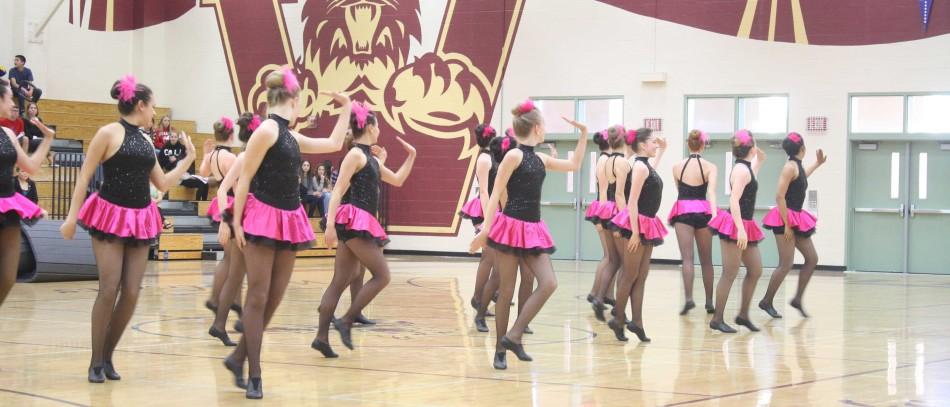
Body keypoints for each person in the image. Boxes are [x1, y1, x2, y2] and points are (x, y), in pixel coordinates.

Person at [223, 65, 351, 398]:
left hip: (287, 219)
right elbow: (245, 177)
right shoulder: (266, 130)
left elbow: (334, 142)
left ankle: (237, 358)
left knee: (275, 297)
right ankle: (255, 374)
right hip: (262, 218)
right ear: (293, 100)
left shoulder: (291, 136)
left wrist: (347, 107)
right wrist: (235, 221)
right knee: (258, 295)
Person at [60, 75, 196, 382]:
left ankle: (108, 355)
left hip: (139, 218)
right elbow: (84, 177)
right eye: (153, 107)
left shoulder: (147, 141)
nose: (154, 114)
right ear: (140, 104)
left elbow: (161, 182)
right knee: (109, 289)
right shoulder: (107, 133)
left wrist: (188, 160)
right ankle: (95, 361)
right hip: (109, 215)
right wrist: (71, 217)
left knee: (132, 292)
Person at [470, 100, 588, 370]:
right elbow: (495, 194)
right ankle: (501, 348)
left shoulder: (540, 158)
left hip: (533, 229)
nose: (545, 130)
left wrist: (583, 134)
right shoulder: (513, 156)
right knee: (507, 290)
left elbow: (575, 164)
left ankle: (514, 335)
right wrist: (484, 231)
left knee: (548, 283)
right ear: (536, 128)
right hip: (510, 227)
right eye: (544, 126)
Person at [312, 101, 417, 358]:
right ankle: (346, 320)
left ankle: (321, 337)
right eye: (378, 126)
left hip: (359, 221)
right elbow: (337, 191)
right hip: (354, 221)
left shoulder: (368, 157)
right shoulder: (356, 155)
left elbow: (398, 179)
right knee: (382, 275)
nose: (380, 130)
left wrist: (412, 156)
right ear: (369, 127)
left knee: (339, 281)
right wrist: (330, 226)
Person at [606, 128, 667, 342]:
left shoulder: (645, 165)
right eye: (652, 142)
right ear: (642, 145)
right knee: (630, 275)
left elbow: (652, 176)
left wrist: (663, 150)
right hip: (637, 224)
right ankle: (618, 318)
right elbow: (631, 202)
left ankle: (637, 322)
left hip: (647, 224)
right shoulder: (639, 167)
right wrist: (633, 232)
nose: (655, 144)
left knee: (641, 276)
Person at [759, 132, 826, 318]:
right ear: (802, 149)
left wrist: (817, 164)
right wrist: (787, 225)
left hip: (796, 217)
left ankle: (797, 298)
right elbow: (779, 196)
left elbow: (803, 177)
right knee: (786, 264)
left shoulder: (796, 166)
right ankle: (766, 301)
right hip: (784, 218)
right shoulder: (789, 167)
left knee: (812, 258)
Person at [0, 78, 53, 309]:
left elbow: (29, 167)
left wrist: (48, 139)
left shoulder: (9, 134)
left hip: (7, 205)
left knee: (8, 277)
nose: (13, 103)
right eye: (10, 98)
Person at [707, 130, 767, 333]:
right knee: (730, 272)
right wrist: (740, 229)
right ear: (751, 147)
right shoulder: (741, 170)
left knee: (755, 270)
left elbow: (755, 172)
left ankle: (743, 315)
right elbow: (734, 201)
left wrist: (759, 158)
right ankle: (717, 319)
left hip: (745, 224)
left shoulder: (747, 168)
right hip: (735, 225)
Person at [669, 130, 718, 315]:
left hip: (683, 210)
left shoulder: (676, 167)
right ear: (703, 145)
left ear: (688, 144)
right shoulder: (710, 167)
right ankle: (709, 302)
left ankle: (689, 299)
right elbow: (711, 192)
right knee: (707, 260)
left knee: (687, 259)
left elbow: (679, 189)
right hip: (703, 210)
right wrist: (714, 214)